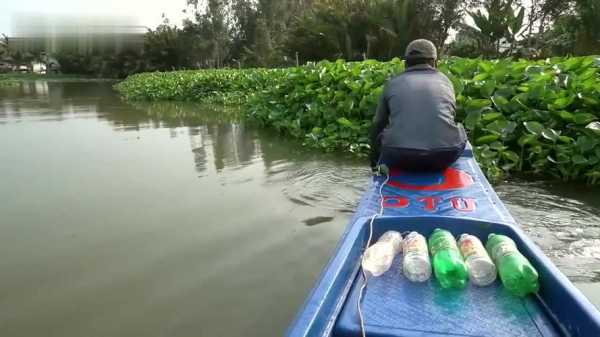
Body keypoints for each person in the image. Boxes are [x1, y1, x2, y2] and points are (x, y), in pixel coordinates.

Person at [370, 39, 467, 173]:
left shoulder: (392, 83)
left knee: (384, 134)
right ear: (435, 62)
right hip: (444, 155)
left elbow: (378, 124)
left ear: (406, 63)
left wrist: (374, 163)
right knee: (460, 129)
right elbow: (450, 115)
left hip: (400, 156)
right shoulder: (446, 82)